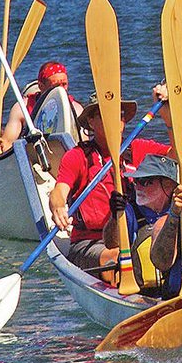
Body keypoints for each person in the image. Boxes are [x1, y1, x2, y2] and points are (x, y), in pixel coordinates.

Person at [48, 93, 140, 277]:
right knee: (115, 257)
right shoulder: (78, 156)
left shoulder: (137, 148)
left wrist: (168, 116)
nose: (116, 120)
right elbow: (59, 191)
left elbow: (181, 154)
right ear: (91, 122)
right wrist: (57, 207)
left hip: (132, 238)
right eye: (107, 114)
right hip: (91, 243)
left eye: (119, 115)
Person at [104, 153, 182, 297]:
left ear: (168, 185)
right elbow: (111, 243)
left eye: (146, 181)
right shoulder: (128, 210)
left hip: (180, 293)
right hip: (138, 293)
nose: (138, 187)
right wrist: (115, 217)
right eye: (136, 181)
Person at [3, 60, 81, 147]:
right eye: (56, 85)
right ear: (41, 86)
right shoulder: (22, 108)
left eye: (64, 84)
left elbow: (83, 143)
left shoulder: (77, 109)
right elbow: (7, 143)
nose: (61, 90)